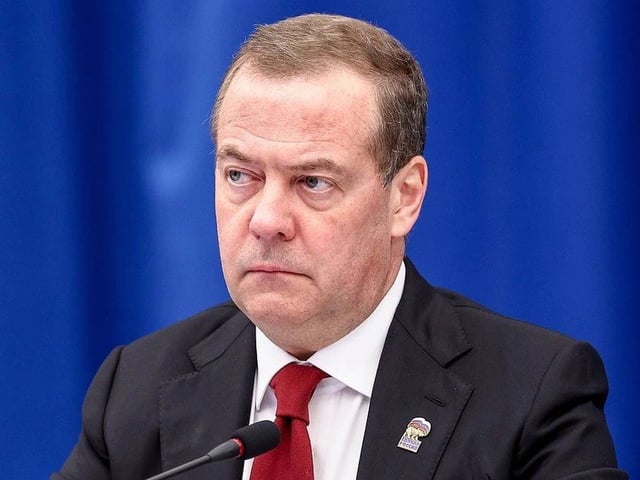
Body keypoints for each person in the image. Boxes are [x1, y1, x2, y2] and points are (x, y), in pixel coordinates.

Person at [52, 13, 626, 480]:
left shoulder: (533, 394)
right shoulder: (135, 389)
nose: (267, 221)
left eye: (313, 182)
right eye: (240, 175)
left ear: (404, 197)